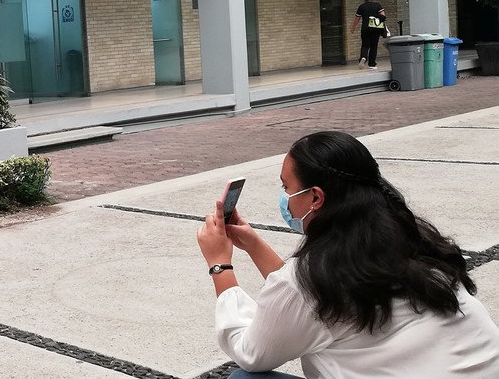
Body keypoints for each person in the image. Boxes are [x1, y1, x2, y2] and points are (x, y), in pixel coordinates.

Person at [196, 131, 499, 379]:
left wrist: (220, 265)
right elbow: (310, 300)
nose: (284, 197)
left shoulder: (312, 276)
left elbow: (252, 352)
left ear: (315, 197)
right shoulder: (412, 239)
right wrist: (253, 245)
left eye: (287, 187)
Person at [351, 0, 388, 70]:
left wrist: (353, 27)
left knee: (365, 45)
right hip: (375, 29)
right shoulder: (377, 5)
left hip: (365, 29)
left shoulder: (362, 6)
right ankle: (372, 64)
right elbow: (383, 16)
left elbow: (357, 19)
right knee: (374, 46)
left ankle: (363, 58)